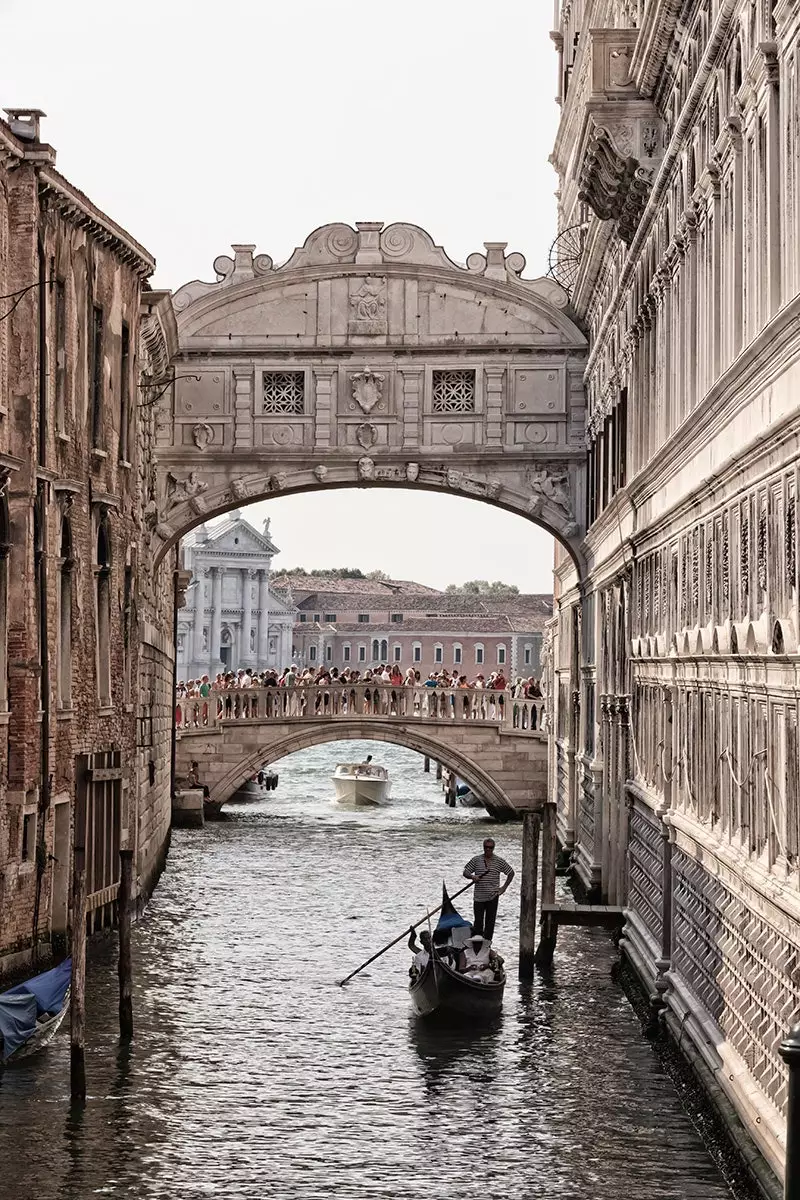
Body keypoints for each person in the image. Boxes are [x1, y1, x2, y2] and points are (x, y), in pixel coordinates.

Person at [463, 838, 515, 940]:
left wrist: (503, 888)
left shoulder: (499, 861)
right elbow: (465, 872)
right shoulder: (476, 860)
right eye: (486, 847)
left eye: (490, 848)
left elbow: (511, 873)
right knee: (478, 923)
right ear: (483, 848)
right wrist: (473, 877)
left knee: (490, 924)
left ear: (493, 848)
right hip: (479, 897)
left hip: (493, 897)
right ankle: (477, 943)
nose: (488, 849)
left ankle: (487, 946)